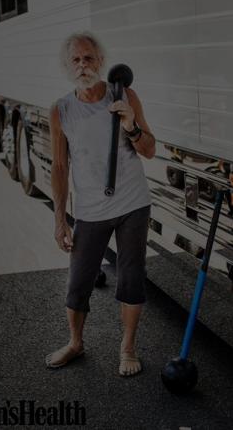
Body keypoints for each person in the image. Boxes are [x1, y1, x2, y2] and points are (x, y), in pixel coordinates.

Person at [45, 32, 155, 377]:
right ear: (67, 66)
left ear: (101, 62)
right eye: (76, 60)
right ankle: (76, 343)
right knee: (79, 281)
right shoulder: (61, 110)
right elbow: (60, 167)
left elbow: (149, 149)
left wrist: (131, 125)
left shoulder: (124, 96)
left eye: (89, 58)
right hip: (90, 209)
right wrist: (60, 219)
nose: (83, 65)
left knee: (131, 277)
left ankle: (128, 348)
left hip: (132, 202)